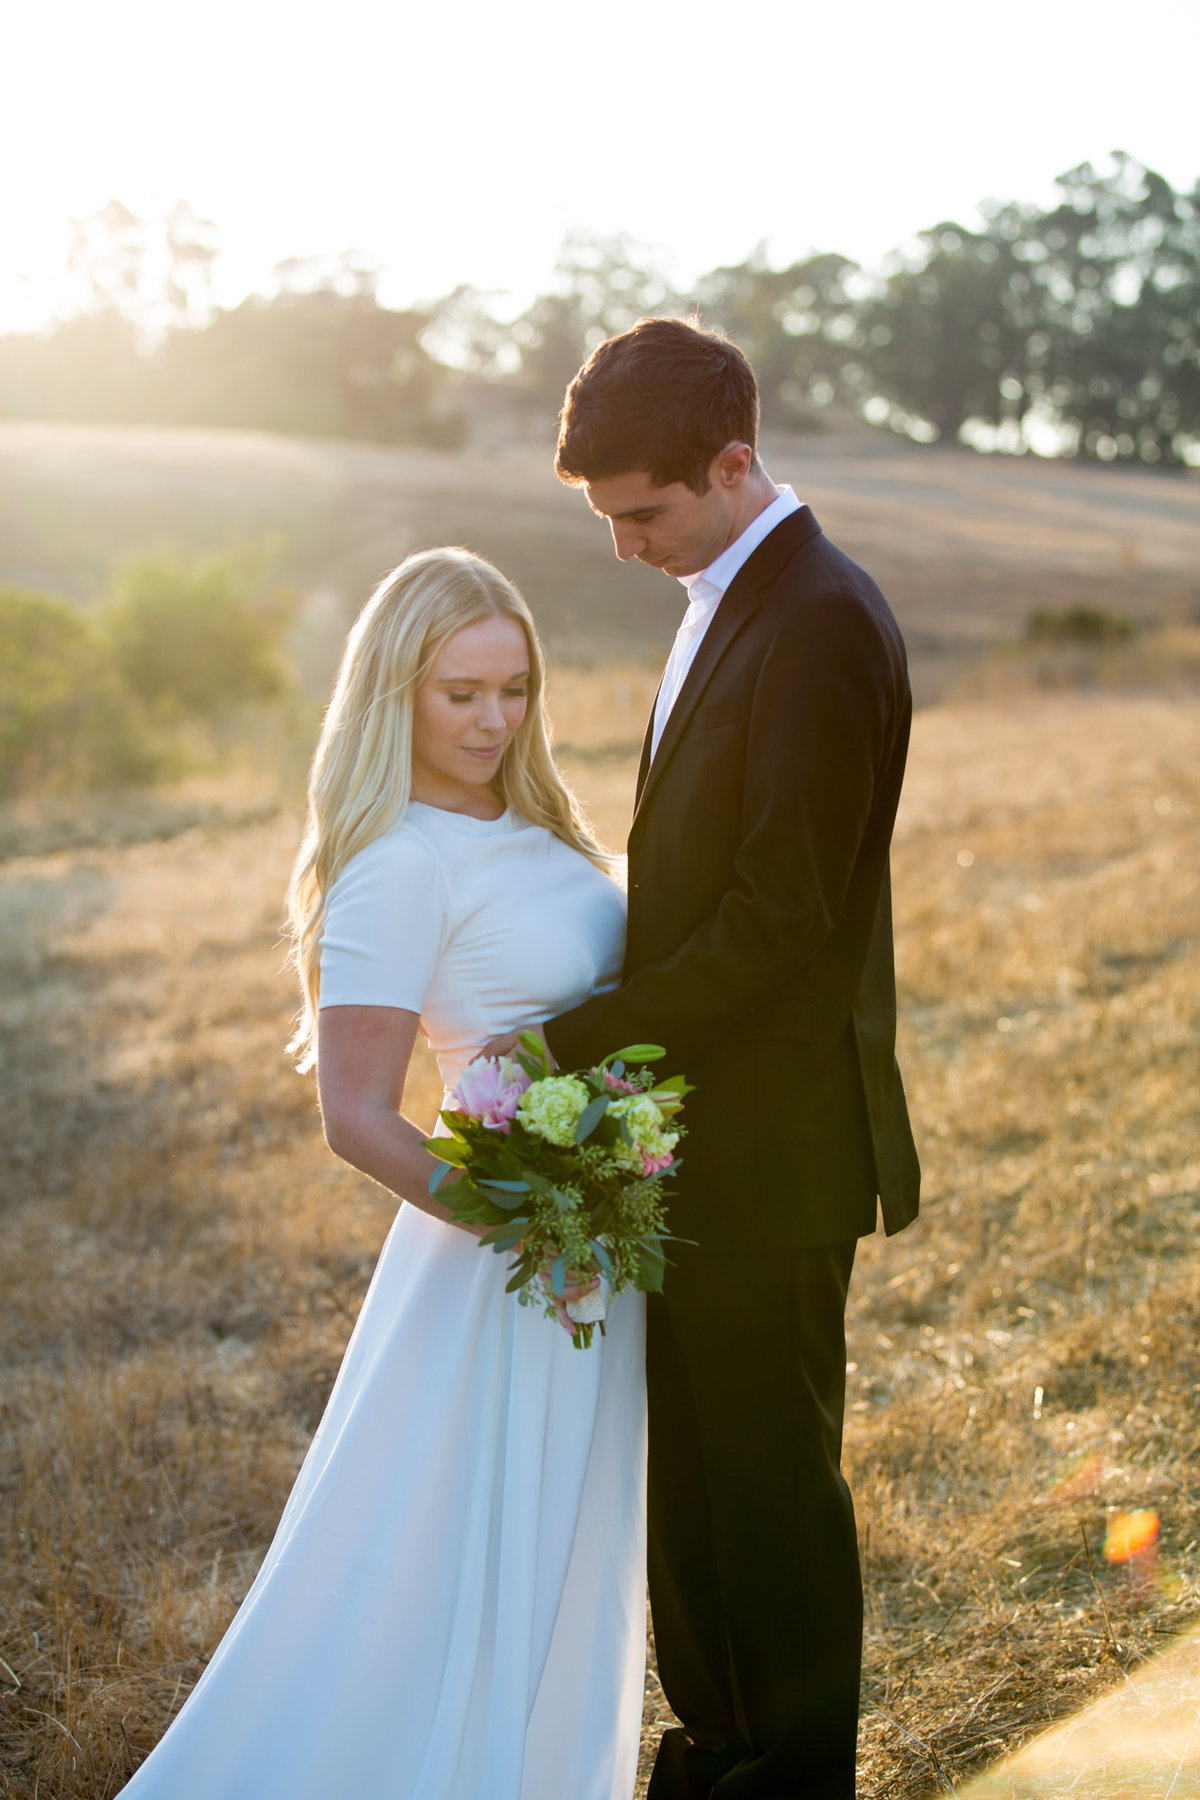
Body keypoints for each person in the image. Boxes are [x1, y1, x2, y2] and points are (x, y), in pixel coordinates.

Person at [117, 547, 646, 1800]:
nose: (493, 719)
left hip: (592, 1242)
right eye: (461, 692)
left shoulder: (539, 828)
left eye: (514, 689)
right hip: (504, 1263)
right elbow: (356, 1117)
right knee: (456, 1552)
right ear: (395, 692)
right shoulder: (396, 860)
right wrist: (528, 1221)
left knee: (569, 1542)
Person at [486, 317, 921, 1799]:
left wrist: (567, 1043)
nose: (622, 548)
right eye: (604, 517)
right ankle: (725, 1751)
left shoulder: (823, 621)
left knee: (773, 1499)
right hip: (700, 1135)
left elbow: (777, 925)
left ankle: (789, 1774)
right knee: (705, 1490)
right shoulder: (732, 593)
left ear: (735, 464)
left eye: (644, 514)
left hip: (780, 1144)